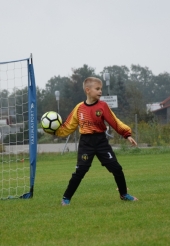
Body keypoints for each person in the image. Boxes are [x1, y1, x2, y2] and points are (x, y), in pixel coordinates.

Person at [54, 77, 138, 205]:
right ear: (88, 90)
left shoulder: (103, 106)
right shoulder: (79, 108)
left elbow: (114, 122)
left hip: (101, 142)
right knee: (80, 171)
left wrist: (126, 134)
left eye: (101, 89)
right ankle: (66, 198)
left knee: (116, 168)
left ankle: (124, 194)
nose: (100, 91)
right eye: (97, 89)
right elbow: (68, 126)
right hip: (85, 143)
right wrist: (55, 131)